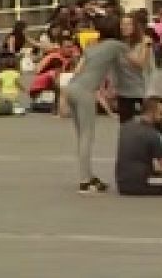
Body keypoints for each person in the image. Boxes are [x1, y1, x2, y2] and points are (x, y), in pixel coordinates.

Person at [61, 17, 127, 194]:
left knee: (81, 135)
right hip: (85, 91)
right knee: (87, 136)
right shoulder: (116, 45)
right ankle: (84, 180)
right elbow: (131, 61)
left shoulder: (92, 47)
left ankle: (88, 176)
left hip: (73, 87)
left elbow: (79, 69)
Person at [114, 96, 162, 197]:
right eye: (161, 114)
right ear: (151, 113)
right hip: (140, 185)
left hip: (122, 183)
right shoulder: (153, 134)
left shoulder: (126, 126)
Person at [115, 12, 153, 123]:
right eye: (123, 24)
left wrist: (124, 51)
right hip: (124, 90)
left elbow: (141, 63)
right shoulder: (119, 43)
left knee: (151, 123)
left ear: (135, 26)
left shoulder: (144, 42)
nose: (124, 27)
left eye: (128, 24)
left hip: (143, 89)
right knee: (126, 126)